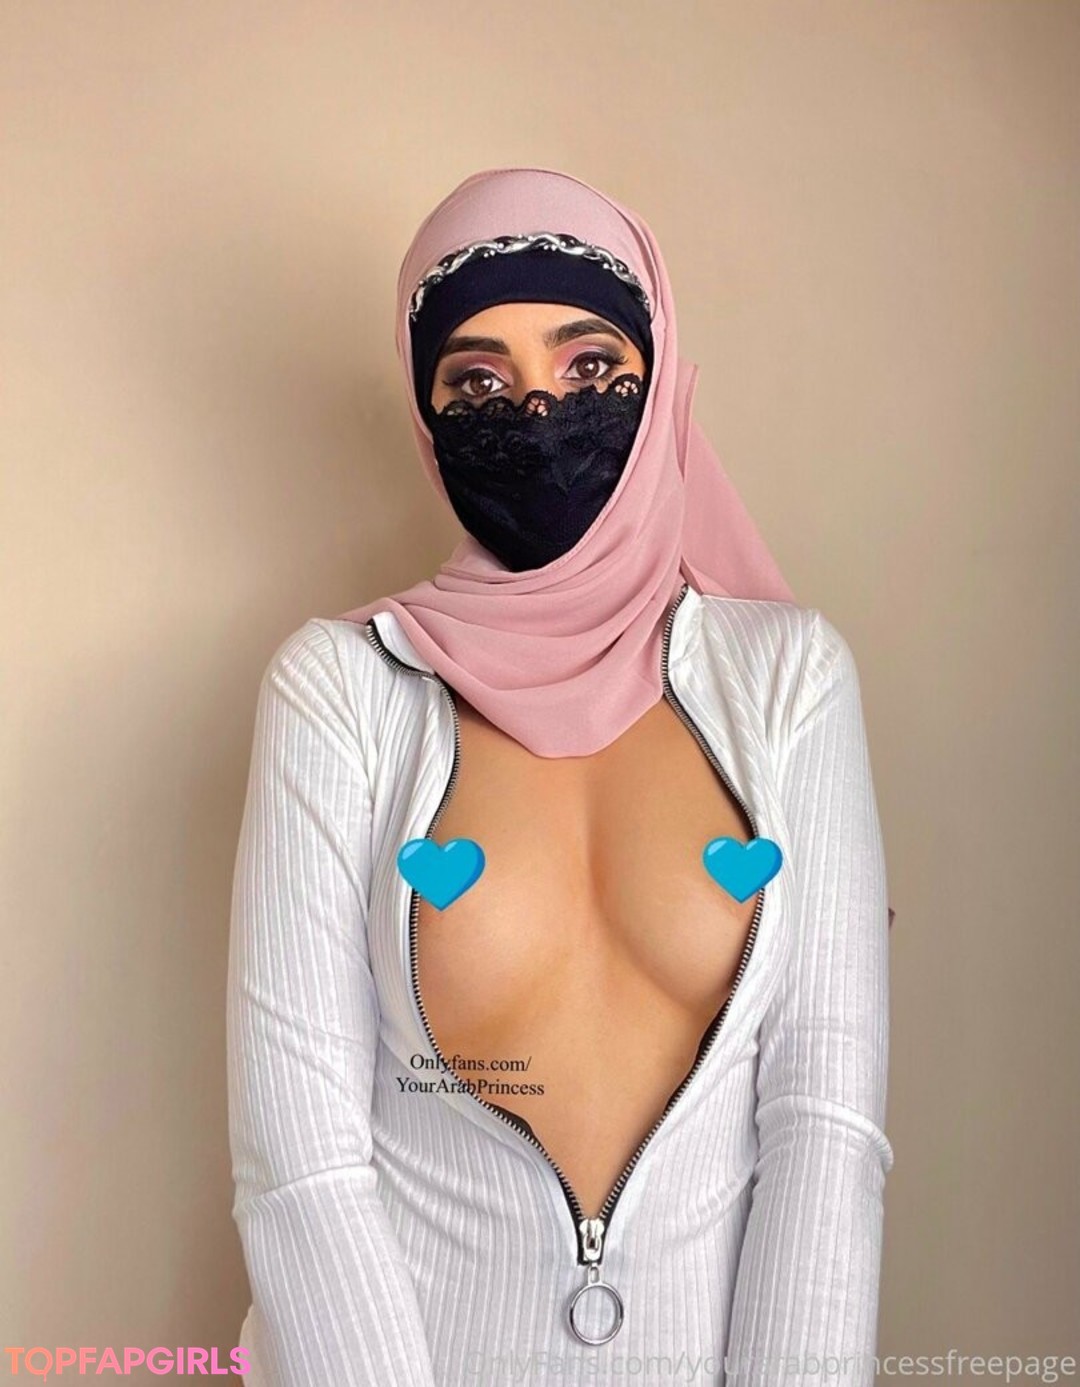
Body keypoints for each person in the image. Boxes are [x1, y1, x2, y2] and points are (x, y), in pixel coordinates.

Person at [226, 165, 896, 1387]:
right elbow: (301, 1159)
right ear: (426, 415)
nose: (537, 411)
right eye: (478, 382)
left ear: (661, 374)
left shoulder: (790, 679)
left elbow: (825, 1125)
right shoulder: (340, 690)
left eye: (589, 365)